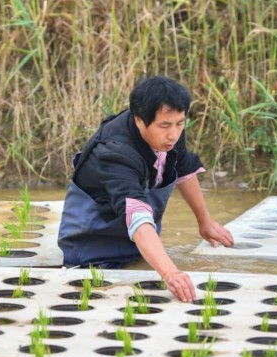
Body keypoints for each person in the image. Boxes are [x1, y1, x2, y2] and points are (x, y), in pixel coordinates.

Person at [58, 75, 234, 302]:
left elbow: (183, 169)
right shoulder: (115, 152)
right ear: (139, 120)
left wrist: (204, 221)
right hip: (93, 253)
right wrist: (171, 274)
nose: (174, 133)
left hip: (139, 247)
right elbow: (137, 216)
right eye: (165, 125)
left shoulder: (169, 134)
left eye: (180, 123)